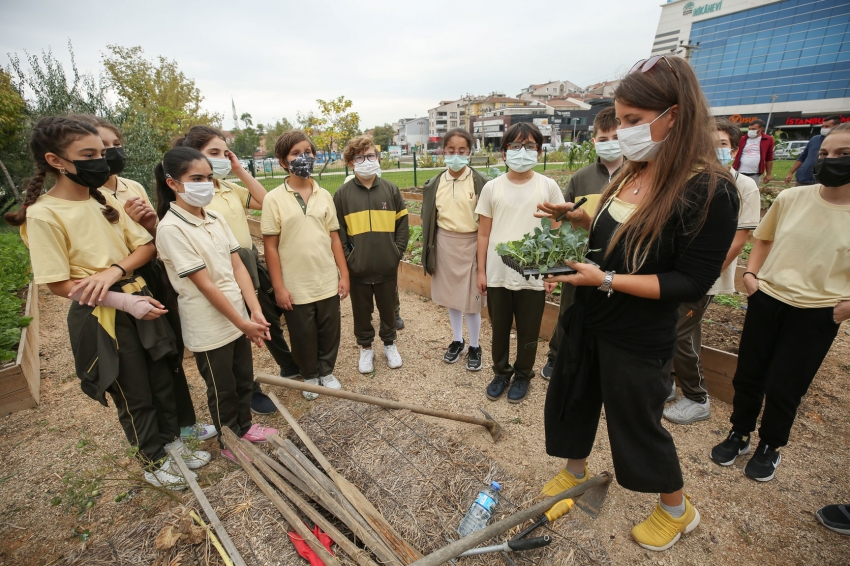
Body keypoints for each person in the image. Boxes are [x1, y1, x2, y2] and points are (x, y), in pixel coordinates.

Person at [538, 55, 739, 551]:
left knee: (636, 419)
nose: (623, 132)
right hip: (589, 313)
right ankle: (574, 471)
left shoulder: (709, 190)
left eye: (632, 121)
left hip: (637, 328)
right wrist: (580, 220)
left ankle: (677, 509)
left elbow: (689, 281)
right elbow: (620, 232)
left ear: (674, 114)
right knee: (574, 393)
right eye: (619, 120)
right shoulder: (634, 170)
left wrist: (606, 278)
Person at [8, 117, 211, 489]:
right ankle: (152, 460)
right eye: (88, 154)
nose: (100, 160)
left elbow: (147, 245)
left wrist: (114, 271)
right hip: (104, 313)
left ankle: (173, 443)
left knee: (162, 376)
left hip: (138, 298)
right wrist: (119, 298)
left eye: (102, 152)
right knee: (133, 390)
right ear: (56, 160)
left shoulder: (105, 200)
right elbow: (57, 283)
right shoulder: (43, 215)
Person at [710, 122, 850, 481]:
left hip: (818, 312)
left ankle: (770, 445)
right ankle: (739, 433)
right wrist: (751, 276)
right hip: (768, 298)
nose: (831, 161)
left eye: (843, 155)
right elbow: (764, 239)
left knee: (787, 384)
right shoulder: (791, 199)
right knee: (749, 374)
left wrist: (845, 309)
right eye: (825, 154)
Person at [71, 114, 217, 443]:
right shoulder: (78, 199)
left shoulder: (130, 188)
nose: (108, 153)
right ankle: (159, 441)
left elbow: (152, 241)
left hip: (148, 275)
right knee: (137, 373)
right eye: (98, 149)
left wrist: (151, 223)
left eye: (113, 146)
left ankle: (183, 424)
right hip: (115, 290)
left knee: (169, 356)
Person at [155, 147, 279, 463]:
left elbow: (237, 266)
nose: (206, 184)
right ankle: (230, 442)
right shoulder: (171, 228)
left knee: (242, 379)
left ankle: (245, 427)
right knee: (222, 388)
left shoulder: (215, 217)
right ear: (173, 183)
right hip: (209, 324)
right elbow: (205, 284)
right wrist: (242, 322)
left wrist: (253, 310)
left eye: (209, 177)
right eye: (196, 178)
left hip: (238, 314)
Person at [174, 126, 300, 414]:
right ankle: (249, 390)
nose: (221, 158)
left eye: (224, 152)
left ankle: (287, 364)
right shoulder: (196, 195)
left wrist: (238, 169)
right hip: (218, 268)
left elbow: (264, 200)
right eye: (213, 153)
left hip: (246, 261)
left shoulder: (228, 188)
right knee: (236, 326)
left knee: (265, 315)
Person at [663, 118, 761, 424]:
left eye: (721, 144)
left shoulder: (742, 185)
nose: (712, 150)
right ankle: (666, 384)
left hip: (703, 279)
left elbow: (739, 239)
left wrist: (703, 272)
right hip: (677, 275)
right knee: (670, 328)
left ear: (732, 149)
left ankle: (697, 397)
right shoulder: (690, 181)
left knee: (681, 335)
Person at [475, 123, 563, 403]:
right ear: (503, 153)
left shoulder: (548, 186)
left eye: (529, 146)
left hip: (533, 273)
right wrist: (481, 270)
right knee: (499, 327)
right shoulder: (492, 188)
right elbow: (484, 232)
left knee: (529, 329)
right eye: (515, 146)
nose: (522, 152)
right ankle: (501, 371)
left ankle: (523, 373)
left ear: (538, 151)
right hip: (498, 272)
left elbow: (557, 230)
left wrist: (552, 271)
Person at [263, 131, 348, 400]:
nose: (304, 158)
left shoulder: (324, 195)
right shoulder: (273, 199)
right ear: (283, 161)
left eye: (308, 152)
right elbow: (270, 247)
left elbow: (335, 238)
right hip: (295, 284)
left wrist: (343, 274)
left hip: (324, 278)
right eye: (296, 153)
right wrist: (278, 286)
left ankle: (326, 371)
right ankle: (310, 375)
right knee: (302, 333)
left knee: (329, 329)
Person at [541, 106, 624, 380]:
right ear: (593, 141)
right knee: (570, 305)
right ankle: (557, 354)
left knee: (610, 307)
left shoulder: (636, 176)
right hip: (579, 254)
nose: (609, 144)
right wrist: (555, 262)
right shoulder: (582, 177)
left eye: (616, 137)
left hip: (616, 257)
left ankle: (599, 360)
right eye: (603, 139)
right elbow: (563, 220)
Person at [334, 136, 409, 373]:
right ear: (351, 162)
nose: (366, 160)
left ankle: (389, 344)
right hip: (358, 269)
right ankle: (365, 348)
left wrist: (395, 252)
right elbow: (339, 234)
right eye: (360, 157)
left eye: (370, 155)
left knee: (388, 308)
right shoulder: (343, 194)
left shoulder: (390, 190)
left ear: (377, 157)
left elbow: (402, 226)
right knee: (361, 311)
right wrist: (349, 258)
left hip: (387, 267)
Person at [421, 128, 489, 371]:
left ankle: (475, 346)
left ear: (469, 152)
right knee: (452, 298)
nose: (456, 155)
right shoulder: (435, 183)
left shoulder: (481, 182)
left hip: (472, 244)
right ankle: (458, 341)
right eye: (451, 150)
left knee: (472, 300)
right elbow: (430, 218)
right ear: (443, 152)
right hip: (444, 244)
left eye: (462, 150)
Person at [784, 116, 841, 186]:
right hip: (803, 178)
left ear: (837, 127)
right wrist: (791, 172)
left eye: (827, 126)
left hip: (821, 182)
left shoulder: (841, 142)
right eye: (823, 126)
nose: (823, 129)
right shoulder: (814, 139)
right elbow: (802, 157)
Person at [733, 118, 774, 186]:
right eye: (750, 129)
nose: (751, 131)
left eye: (753, 129)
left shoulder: (768, 139)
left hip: (755, 174)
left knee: (751, 193)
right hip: (739, 172)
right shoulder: (742, 139)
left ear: (761, 129)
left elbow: (769, 158)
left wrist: (768, 174)